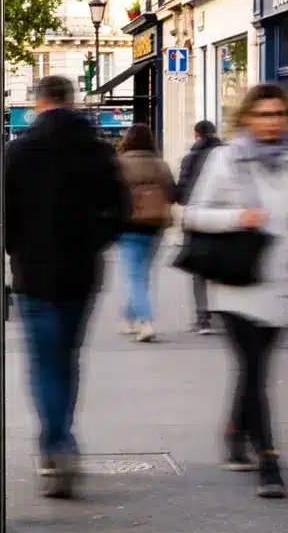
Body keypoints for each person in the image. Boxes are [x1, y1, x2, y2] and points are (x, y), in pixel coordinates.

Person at [5, 75, 127, 498]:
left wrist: (15, 247)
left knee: (43, 362)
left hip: (34, 275)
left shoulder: (17, 152)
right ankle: (63, 438)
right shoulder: (98, 152)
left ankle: (54, 444)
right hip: (81, 274)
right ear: (70, 102)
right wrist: (93, 242)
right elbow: (121, 212)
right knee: (68, 359)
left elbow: (0, 215)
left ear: (37, 104)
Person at [182, 84, 288, 499]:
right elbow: (193, 215)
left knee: (255, 370)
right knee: (257, 369)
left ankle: (234, 431)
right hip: (238, 285)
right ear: (246, 118)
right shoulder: (227, 160)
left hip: (279, 284)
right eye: (263, 114)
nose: (272, 122)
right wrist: (238, 217)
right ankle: (269, 461)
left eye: (278, 114)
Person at [116, 124, 175, 342]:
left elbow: (112, 195)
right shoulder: (161, 165)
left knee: (133, 275)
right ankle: (128, 316)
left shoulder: (120, 164)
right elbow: (172, 193)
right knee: (142, 275)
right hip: (155, 226)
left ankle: (145, 321)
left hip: (129, 226)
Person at [176, 120, 222, 334]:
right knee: (223, 266)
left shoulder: (190, 158)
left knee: (200, 270)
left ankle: (203, 318)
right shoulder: (228, 157)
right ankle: (223, 313)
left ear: (196, 136)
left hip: (198, 219)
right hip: (224, 218)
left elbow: (182, 193)